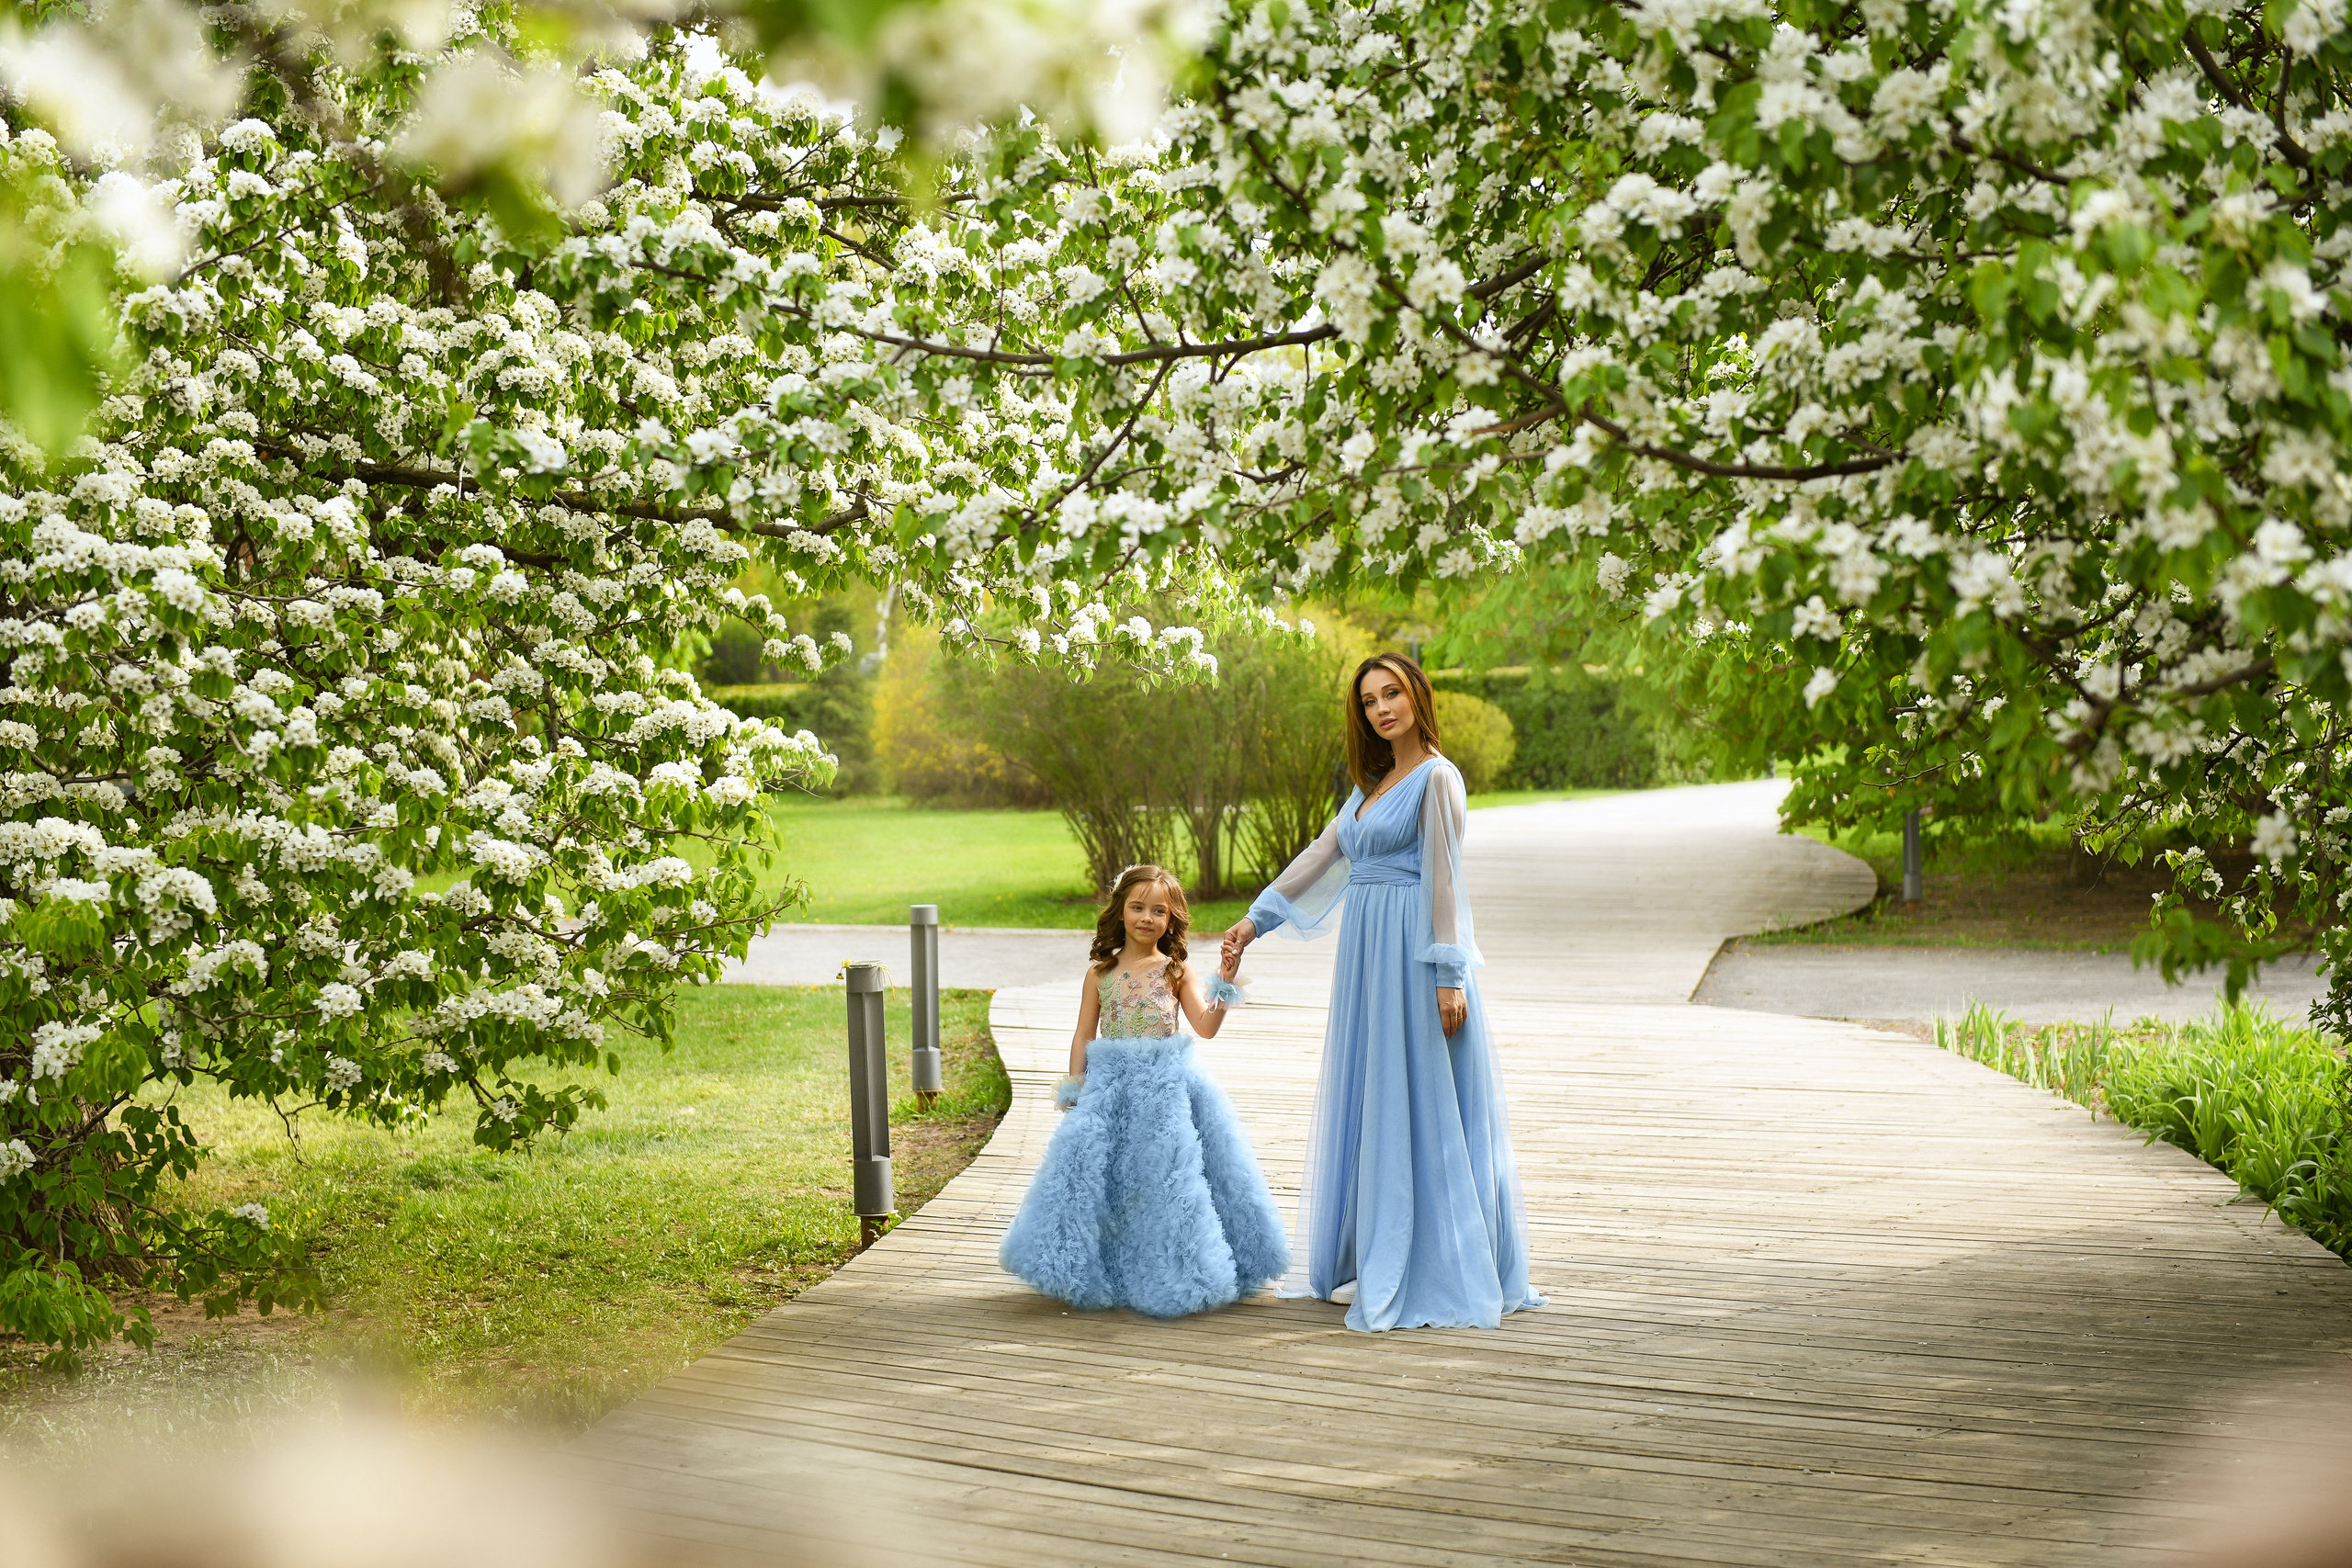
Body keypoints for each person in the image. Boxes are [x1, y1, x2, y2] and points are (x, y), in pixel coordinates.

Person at [1221, 652, 1543, 1333]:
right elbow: (1320, 854)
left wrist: (1450, 973)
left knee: (1420, 1098)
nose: (1381, 708)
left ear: (1416, 695)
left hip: (1414, 959)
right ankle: (1377, 1250)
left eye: (1391, 693)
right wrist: (1255, 920)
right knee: (1377, 1094)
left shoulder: (1437, 777)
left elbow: (1445, 879)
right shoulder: (1371, 785)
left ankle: (1424, 1258)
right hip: (1366, 958)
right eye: (1368, 701)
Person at [1000, 864, 1290, 1317]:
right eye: (1137, 907)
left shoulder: (1175, 972)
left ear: (1171, 919)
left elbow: (1206, 1027)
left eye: (1159, 910)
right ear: (1120, 912)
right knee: (1105, 1177)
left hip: (1165, 1091)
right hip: (1111, 1090)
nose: (1146, 918)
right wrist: (1075, 1085)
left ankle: (1176, 1267)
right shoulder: (1100, 974)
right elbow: (1084, 1033)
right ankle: (1108, 1266)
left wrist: (1226, 982)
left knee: (1166, 1178)